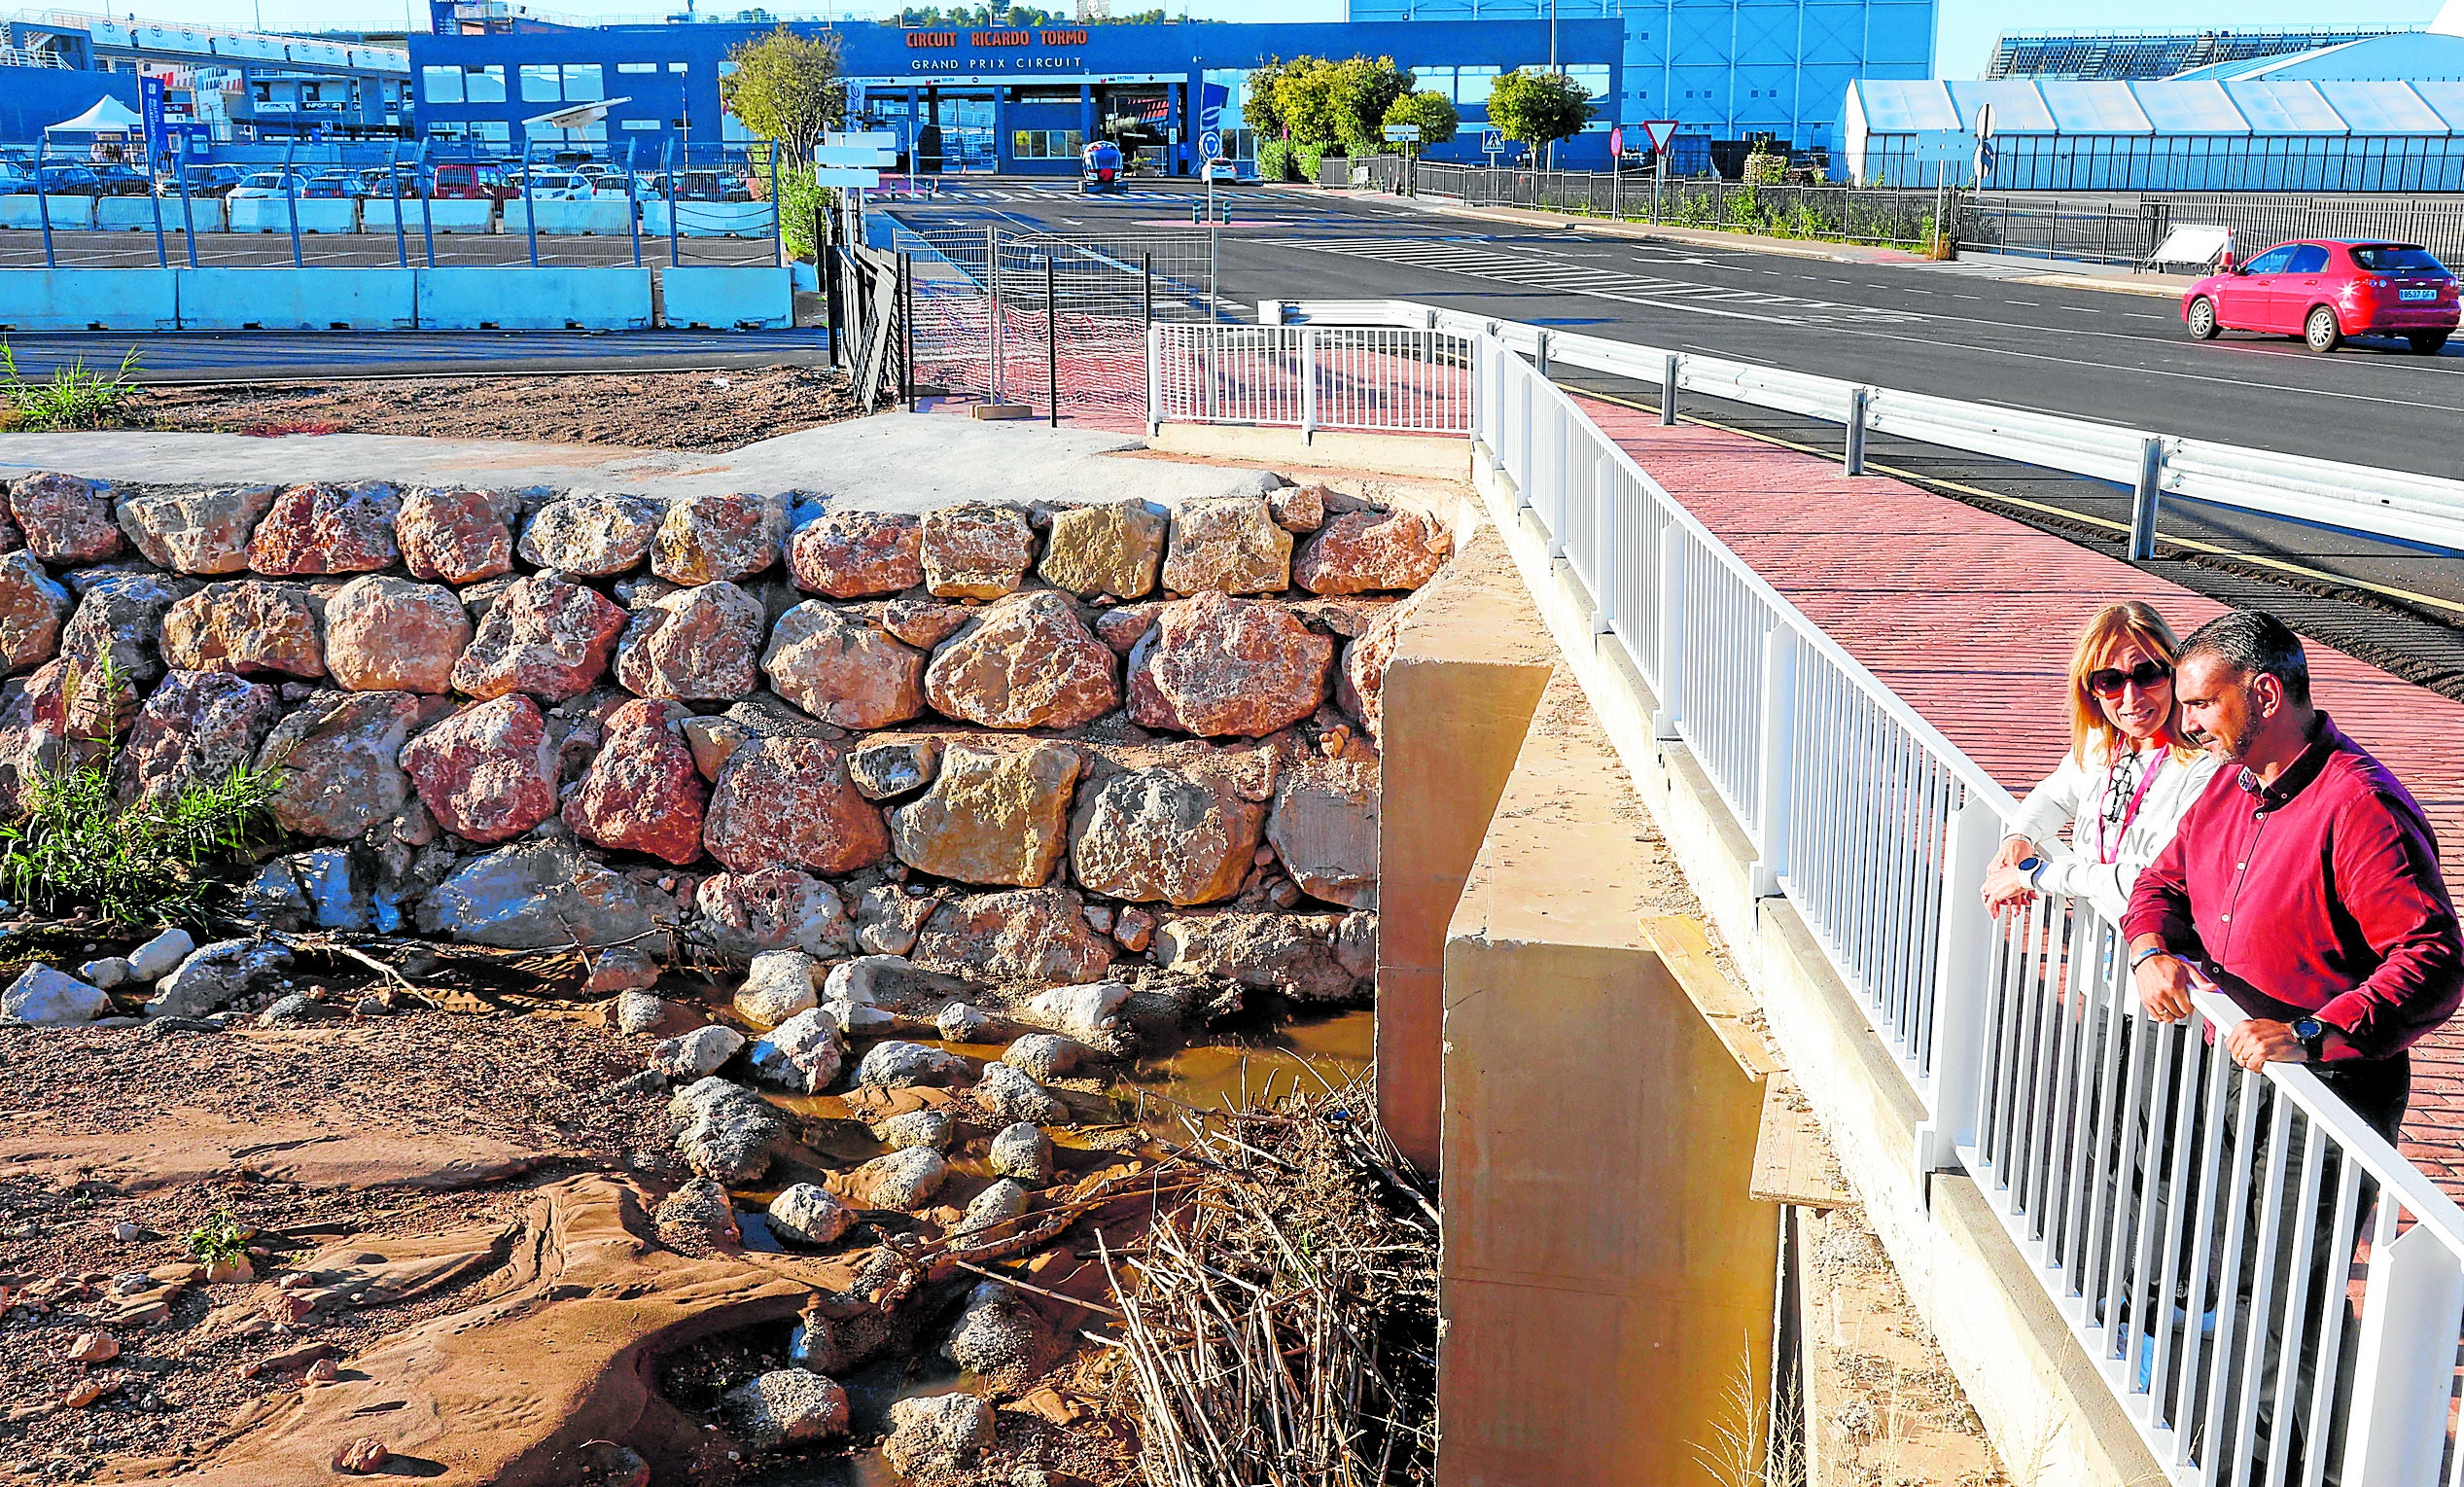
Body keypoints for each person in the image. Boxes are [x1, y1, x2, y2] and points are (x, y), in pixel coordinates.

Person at [2122, 609, 2462, 1477]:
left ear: (2266, 692)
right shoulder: (2227, 788)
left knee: (2293, 1295)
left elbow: (2434, 960)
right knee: (2257, 1278)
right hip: (2247, 1072)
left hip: (2330, 1090)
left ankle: (2293, 1461)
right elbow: (2160, 884)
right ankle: (2298, 1445)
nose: (2185, 722)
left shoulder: (2359, 803)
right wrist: (2151, 947)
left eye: (2202, 703)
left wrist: (2315, 1032)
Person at [1982, 601, 2220, 926]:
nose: (2132, 698)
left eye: (2148, 674)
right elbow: (2054, 796)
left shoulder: (2205, 766)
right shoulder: (2102, 744)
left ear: (2175, 674)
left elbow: (2152, 878)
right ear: (2091, 690)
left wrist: (2035, 875)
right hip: (2102, 935)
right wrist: (2019, 839)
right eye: (2110, 681)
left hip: (2163, 944)